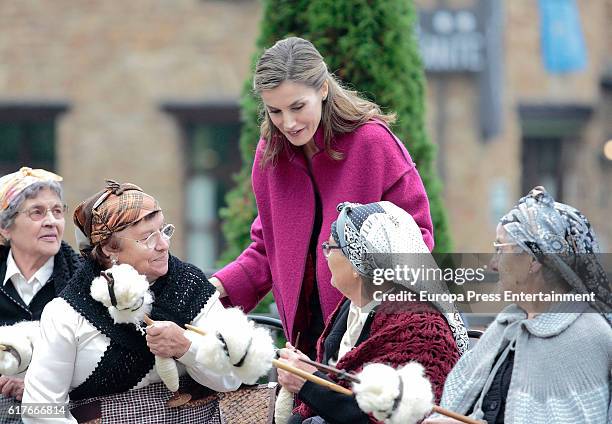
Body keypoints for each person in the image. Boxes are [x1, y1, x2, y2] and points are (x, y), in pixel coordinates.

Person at [210, 37, 434, 356]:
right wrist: (213, 290)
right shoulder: (269, 157)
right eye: (275, 111)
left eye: (298, 107)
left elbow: (418, 241)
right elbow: (267, 249)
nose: (288, 123)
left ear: (323, 90)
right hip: (302, 345)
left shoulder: (374, 144)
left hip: (368, 342)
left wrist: (364, 308)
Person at [21, 180, 240, 424]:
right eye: (147, 238)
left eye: (164, 230)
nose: (163, 245)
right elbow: (40, 409)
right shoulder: (67, 313)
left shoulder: (191, 287)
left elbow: (231, 378)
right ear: (107, 250)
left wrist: (186, 348)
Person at [424, 187, 612, 424]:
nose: (493, 263)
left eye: (500, 249)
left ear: (533, 260)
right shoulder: (504, 327)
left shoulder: (592, 337)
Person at [276, 201, 468, 424]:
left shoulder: (420, 325)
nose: (325, 256)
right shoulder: (352, 308)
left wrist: (308, 382)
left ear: (359, 261)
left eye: (329, 248)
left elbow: (379, 418)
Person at [0, 167, 81, 423]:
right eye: (37, 212)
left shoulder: (84, 282)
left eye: (57, 211)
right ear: (5, 227)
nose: (52, 221)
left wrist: (38, 386)